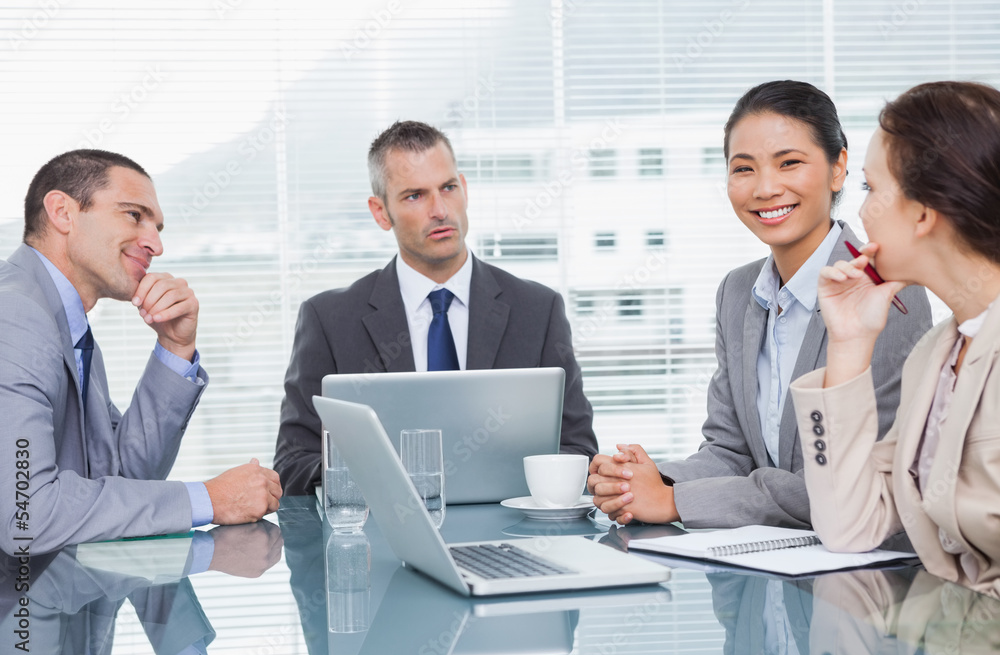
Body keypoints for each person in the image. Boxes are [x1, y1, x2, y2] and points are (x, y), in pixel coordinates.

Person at [588, 80, 933, 528]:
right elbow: (730, 451)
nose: (766, 188)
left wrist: (675, 502)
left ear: (837, 168)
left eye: (789, 163)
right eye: (743, 169)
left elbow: (852, 480)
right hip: (766, 572)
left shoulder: (886, 290)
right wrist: (645, 481)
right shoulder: (737, 291)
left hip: (860, 574)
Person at [275, 120, 597, 495]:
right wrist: (380, 473)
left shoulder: (538, 310)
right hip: (383, 542)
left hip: (510, 537)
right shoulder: (329, 320)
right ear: (381, 213)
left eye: (448, 188)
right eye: (415, 196)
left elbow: (578, 451)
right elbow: (293, 465)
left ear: (465, 188)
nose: (440, 210)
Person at [0, 149, 282, 556]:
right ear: (63, 212)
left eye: (158, 226)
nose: (155, 244)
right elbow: (26, 517)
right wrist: (208, 499)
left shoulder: (63, 319)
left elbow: (122, 478)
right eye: (134, 215)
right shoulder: (15, 315)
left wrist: (175, 347)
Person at [789, 81, 1000, 596]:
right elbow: (850, 526)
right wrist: (849, 345)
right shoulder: (936, 353)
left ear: (924, 213)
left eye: (869, 188)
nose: (859, 213)